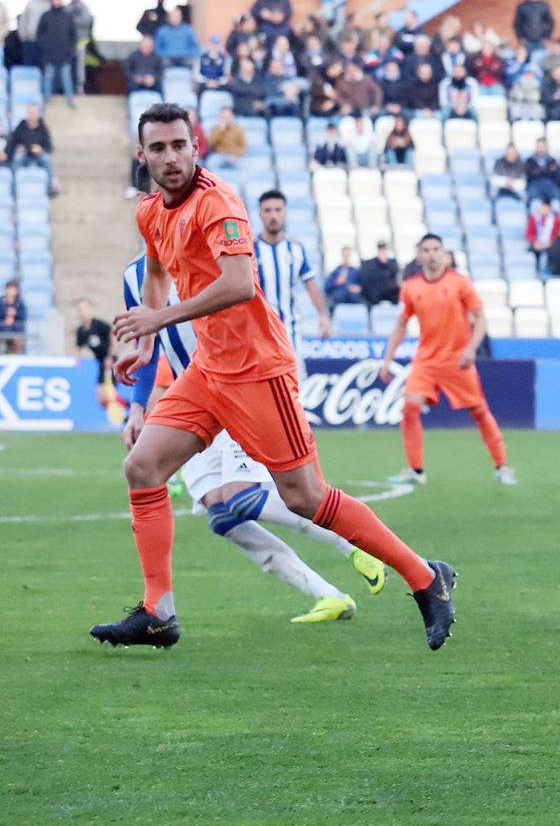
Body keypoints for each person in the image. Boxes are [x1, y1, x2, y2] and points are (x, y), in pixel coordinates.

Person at [100, 104, 453, 650]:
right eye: (158, 148)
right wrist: (146, 345)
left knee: (305, 497)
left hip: (258, 371)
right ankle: (158, 612)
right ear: (141, 155)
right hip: (208, 370)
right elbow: (155, 270)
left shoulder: (217, 202)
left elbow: (240, 282)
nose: (170, 157)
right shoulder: (150, 211)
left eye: (179, 145)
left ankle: (426, 577)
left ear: (196, 147)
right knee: (142, 467)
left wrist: (160, 318)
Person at [121, 250, 385, 624]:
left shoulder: (210, 259)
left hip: (238, 386)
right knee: (222, 516)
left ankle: (354, 543)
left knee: (244, 497)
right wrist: (136, 408)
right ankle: (329, 595)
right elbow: (146, 349)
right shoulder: (134, 277)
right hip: (193, 404)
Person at [378, 234, 515, 488]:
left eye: (436, 249)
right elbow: (401, 323)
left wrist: (471, 349)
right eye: (426, 250)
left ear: (444, 254)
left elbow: (480, 318)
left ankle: (502, 465)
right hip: (426, 361)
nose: (431, 254)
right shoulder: (411, 287)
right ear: (419, 256)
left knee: (479, 411)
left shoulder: (460, 283)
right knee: (409, 408)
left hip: (457, 360)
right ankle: (416, 469)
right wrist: (387, 359)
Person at [254, 190, 332, 354]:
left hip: (290, 333)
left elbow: (311, 286)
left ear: (285, 213)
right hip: (257, 333)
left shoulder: (296, 249)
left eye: (278, 210)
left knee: (294, 379)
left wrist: (323, 316)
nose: (273, 216)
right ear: (260, 214)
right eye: (267, 210)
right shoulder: (251, 250)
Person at [37, 0, 78, 107]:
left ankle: (69, 100)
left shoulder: (67, 16)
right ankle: (46, 100)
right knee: (48, 77)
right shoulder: (45, 16)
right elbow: (39, 35)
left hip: (65, 55)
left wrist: (70, 50)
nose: (56, 2)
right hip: (49, 55)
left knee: (66, 78)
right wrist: (45, 48)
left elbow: (73, 35)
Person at [75, 298, 113, 382]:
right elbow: (78, 346)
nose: (83, 311)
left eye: (85, 308)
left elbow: (113, 335)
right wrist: (78, 359)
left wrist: (110, 357)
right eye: (80, 309)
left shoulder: (99, 324)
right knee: (100, 391)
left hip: (110, 361)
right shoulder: (81, 330)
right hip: (100, 361)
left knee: (108, 391)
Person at [359, 240, 401, 306]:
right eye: (381, 249)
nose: (383, 252)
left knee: (396, 292)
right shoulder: (370, 263)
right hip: (376, 291)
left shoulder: (392, 262)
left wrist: (385, 262)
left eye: (384, 249)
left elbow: (395, 273)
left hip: (389, 290)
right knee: (371, 293)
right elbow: (369, 277)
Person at [1, 281, 27, 353]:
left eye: (14, 289)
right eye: (10, 289)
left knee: (18, 341)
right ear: (6, 289)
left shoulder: (20, 305)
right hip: (1, 332)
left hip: (16, 333)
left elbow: (22, 320)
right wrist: (5, 322)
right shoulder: (1, 303)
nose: (11, 292)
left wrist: (13, 322)